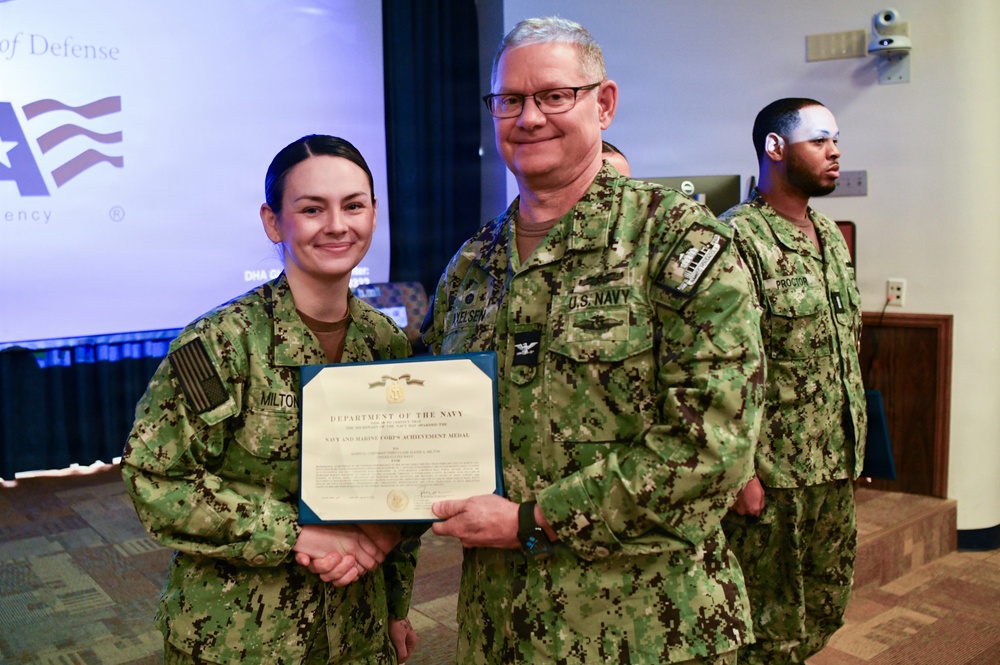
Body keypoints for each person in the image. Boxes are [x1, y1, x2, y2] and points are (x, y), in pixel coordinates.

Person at [422, 16, 765, 665]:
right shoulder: (471, 266)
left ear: (603, 104)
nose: (529, 118)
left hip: (649, 630)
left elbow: (713, 443)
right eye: (510, 100)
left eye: (554, 95)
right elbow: (430, 422)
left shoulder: (675, 240)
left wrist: (533, 519)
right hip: (500, 626)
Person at [121, 135, 419, 664]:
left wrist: (396, 607)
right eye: (312, 209)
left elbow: (399, 480)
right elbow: (156, 479)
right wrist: (295, 534)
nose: (337, 225)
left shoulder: (385, 344)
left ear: (374, 214)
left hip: (357, 631)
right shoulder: (219, 343)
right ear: (273, 222)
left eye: (353, 206)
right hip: (240, 639)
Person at [719, 98, 867, 664]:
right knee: (764, 623)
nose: (835, 152)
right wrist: (740, 472)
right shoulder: (737, 237)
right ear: (775, 148)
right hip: (773, 473)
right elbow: (727, 365)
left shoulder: (828, 233)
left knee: (822, 606)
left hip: (832, 460)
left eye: (836, 140)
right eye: (819, 140)